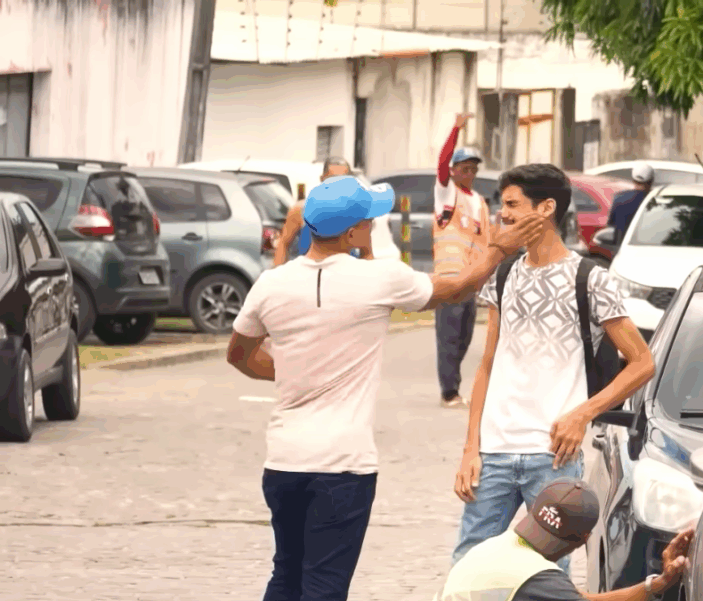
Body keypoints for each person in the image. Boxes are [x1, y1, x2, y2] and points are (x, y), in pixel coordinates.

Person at [226, 174, 546, 601]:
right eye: (369, 221)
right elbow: (457, 288)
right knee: (324, 584)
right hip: (342, 467)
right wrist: (498, 248)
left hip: (283, 462)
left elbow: (239, 355)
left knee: (285, 574)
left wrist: (292, 372)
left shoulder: (272, 283)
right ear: (353, 232)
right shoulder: (379, 278)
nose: (374, 226)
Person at [452, 163, 655, 575]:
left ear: (545, 208)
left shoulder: (591, 279)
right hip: (493, 454)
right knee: (469, 568)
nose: (502, 214)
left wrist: (582, 414)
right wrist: (470, 447)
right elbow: (487, 364)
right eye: (501, 205)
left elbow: (642, 363)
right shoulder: (503, 274)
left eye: (511, 204)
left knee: (546, 575)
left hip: (553, 458)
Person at [436, 478, 694, 601]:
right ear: (583, 540)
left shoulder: (501, 548)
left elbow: (578, 597)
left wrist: (656, 585)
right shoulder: (537, 576)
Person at [433, 113, 492, 408]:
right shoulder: (447, 193)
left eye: (473, 169)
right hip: (449, 275)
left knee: (465, 335)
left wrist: (486, 277)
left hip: (471, 279)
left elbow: (486, 241)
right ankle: (449, 391)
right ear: (454, 171)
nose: (469, 173)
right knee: (449, 336)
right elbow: (441, 164)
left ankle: (452, 384)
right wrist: (455, 128)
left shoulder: (479, 201)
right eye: (463, 168)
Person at [274, 157, 353, 266]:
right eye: (332, 179)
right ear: (322, 179)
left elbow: (366, 251)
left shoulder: (356, 212)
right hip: (309, 277)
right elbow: (283, 244)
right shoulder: (301, 210)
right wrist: (277, 276)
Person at [607, 163, 654, 244]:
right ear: (651, 181)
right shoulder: (655, 200)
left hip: (622, 248)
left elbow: (611, 224)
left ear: (633, 180)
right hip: (650, 247)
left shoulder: (619, 198)